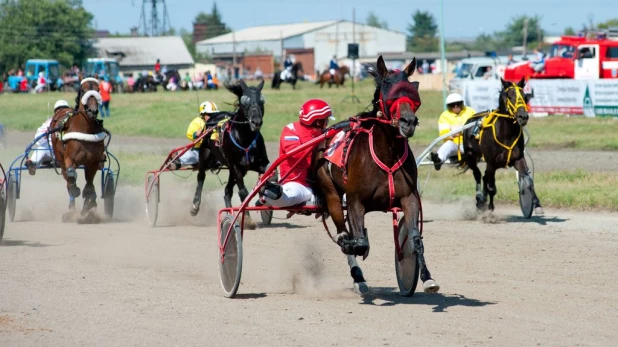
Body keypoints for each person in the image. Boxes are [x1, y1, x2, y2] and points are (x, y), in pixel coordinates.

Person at [257, 99, 336, 208]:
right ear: (318, 122)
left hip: (321, 185)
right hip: (297, 183)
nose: (327, 123)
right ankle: (271, 191)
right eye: (326, 120)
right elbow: (294, 153)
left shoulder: (325, 134)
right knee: (288, 197)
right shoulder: (291, 130)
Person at [429, 93, 477, 171]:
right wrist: (452, 135)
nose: (455, 106)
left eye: (458, 104)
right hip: (456, 145)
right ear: (448, 106)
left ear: (462, 103)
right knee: (448, 144)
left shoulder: (470, 111)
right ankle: (438, 160)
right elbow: (443, 133)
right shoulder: (444, 116)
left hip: (472, 143)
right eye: (452, 105)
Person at [171, 101, 221, 170]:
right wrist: (196, 134)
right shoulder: (197, 121)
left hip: (215, 151)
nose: (212, 117)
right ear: (203, 114)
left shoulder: (218, 123)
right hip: (198, 150)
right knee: (190, 156)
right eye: (209, 114)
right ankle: (175, 162)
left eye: (214, 114)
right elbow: (189, 133)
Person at [24, 100, 70, 175]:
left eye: (64, 109)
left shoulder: (73, 122)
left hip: (67, 152)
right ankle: (32, 164)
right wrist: (45, 134)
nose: (62, 111)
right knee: (41, 149)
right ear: (55, 112)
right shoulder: (49, 122)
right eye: (59, 109)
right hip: (51, 150)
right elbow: (38, 138)